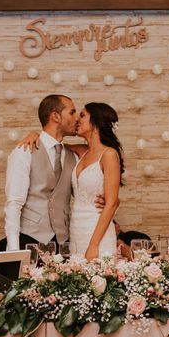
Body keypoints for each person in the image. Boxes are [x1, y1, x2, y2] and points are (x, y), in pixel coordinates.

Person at [3, 94, 80, 252]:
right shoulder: (24, 151)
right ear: (56, 116)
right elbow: (13, 204)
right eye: (72, 112)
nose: (77, 118)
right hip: (29, 240)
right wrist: (14, 252)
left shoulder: (74, 156)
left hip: (64, 243)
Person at [69, 102, 123, 259]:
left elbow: (111, 202)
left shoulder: (109, 155)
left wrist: (93, 245)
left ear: (96, 123)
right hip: (76, 228)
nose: (77, 119)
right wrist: (34, 135)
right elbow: (52, 144)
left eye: (82, 115)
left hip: (97, 231)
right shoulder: (81, 152)